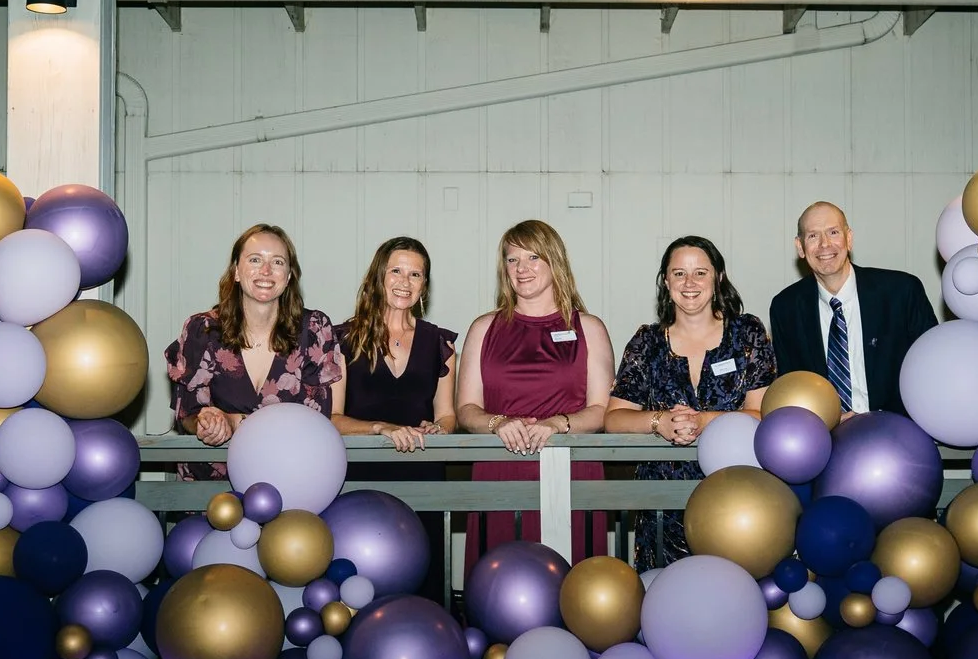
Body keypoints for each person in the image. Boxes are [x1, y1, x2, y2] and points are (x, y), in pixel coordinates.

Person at [607, 235, 776, 569]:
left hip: (735, 497)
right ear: (665, 281)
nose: (689, 283)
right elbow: (614, 418)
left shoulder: (748, 334)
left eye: (700, 272)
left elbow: (761, 413)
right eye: (679, 273)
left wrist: (703, 420)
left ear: (718, 278)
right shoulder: (647, 342)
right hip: (660, 504)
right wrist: (661, 422)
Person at [455, 220, 614, 567]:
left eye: (533, 258)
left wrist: (558, 424)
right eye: (512, 260)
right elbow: (466, 409)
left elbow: (603, 410)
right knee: (498, 587)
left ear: (554, 262)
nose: (522, 268)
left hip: (572, 471)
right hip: (501, 469)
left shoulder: (589, 328)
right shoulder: (484, 328)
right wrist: (497, 422)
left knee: (576, 594)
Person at [163, 223, 344, 479]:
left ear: (290, 275)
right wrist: (208, 422)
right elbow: (188, 416)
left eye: (278, 262)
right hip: (213, 487)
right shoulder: (202, 330)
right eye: (255, 259)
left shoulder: (314, 330)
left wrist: (236, 421)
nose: (266, 271)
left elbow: (316, 421)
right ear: (237, 271)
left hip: (291, 479)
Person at [331, 236, 457, 600]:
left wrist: (439, 428)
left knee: (425, 577)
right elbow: (334, 419)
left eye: (415, 274)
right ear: (378, 277)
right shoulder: (343, 339)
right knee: (358, 583)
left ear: (425, 286)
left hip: (424, 473)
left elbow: (448, 415)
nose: (405, 281)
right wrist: (379, 429)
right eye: (396, 271)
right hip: (361, 480)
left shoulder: (441, 344)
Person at [766, 200, 937, 423]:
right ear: (800, 247)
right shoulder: (785, 308)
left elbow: (933, 368)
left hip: (898, 430)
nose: (825, 245)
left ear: (849, 238)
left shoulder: (901, 292)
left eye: (833, 232)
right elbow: (790, 388)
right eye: (813, 236)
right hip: (825, 437)